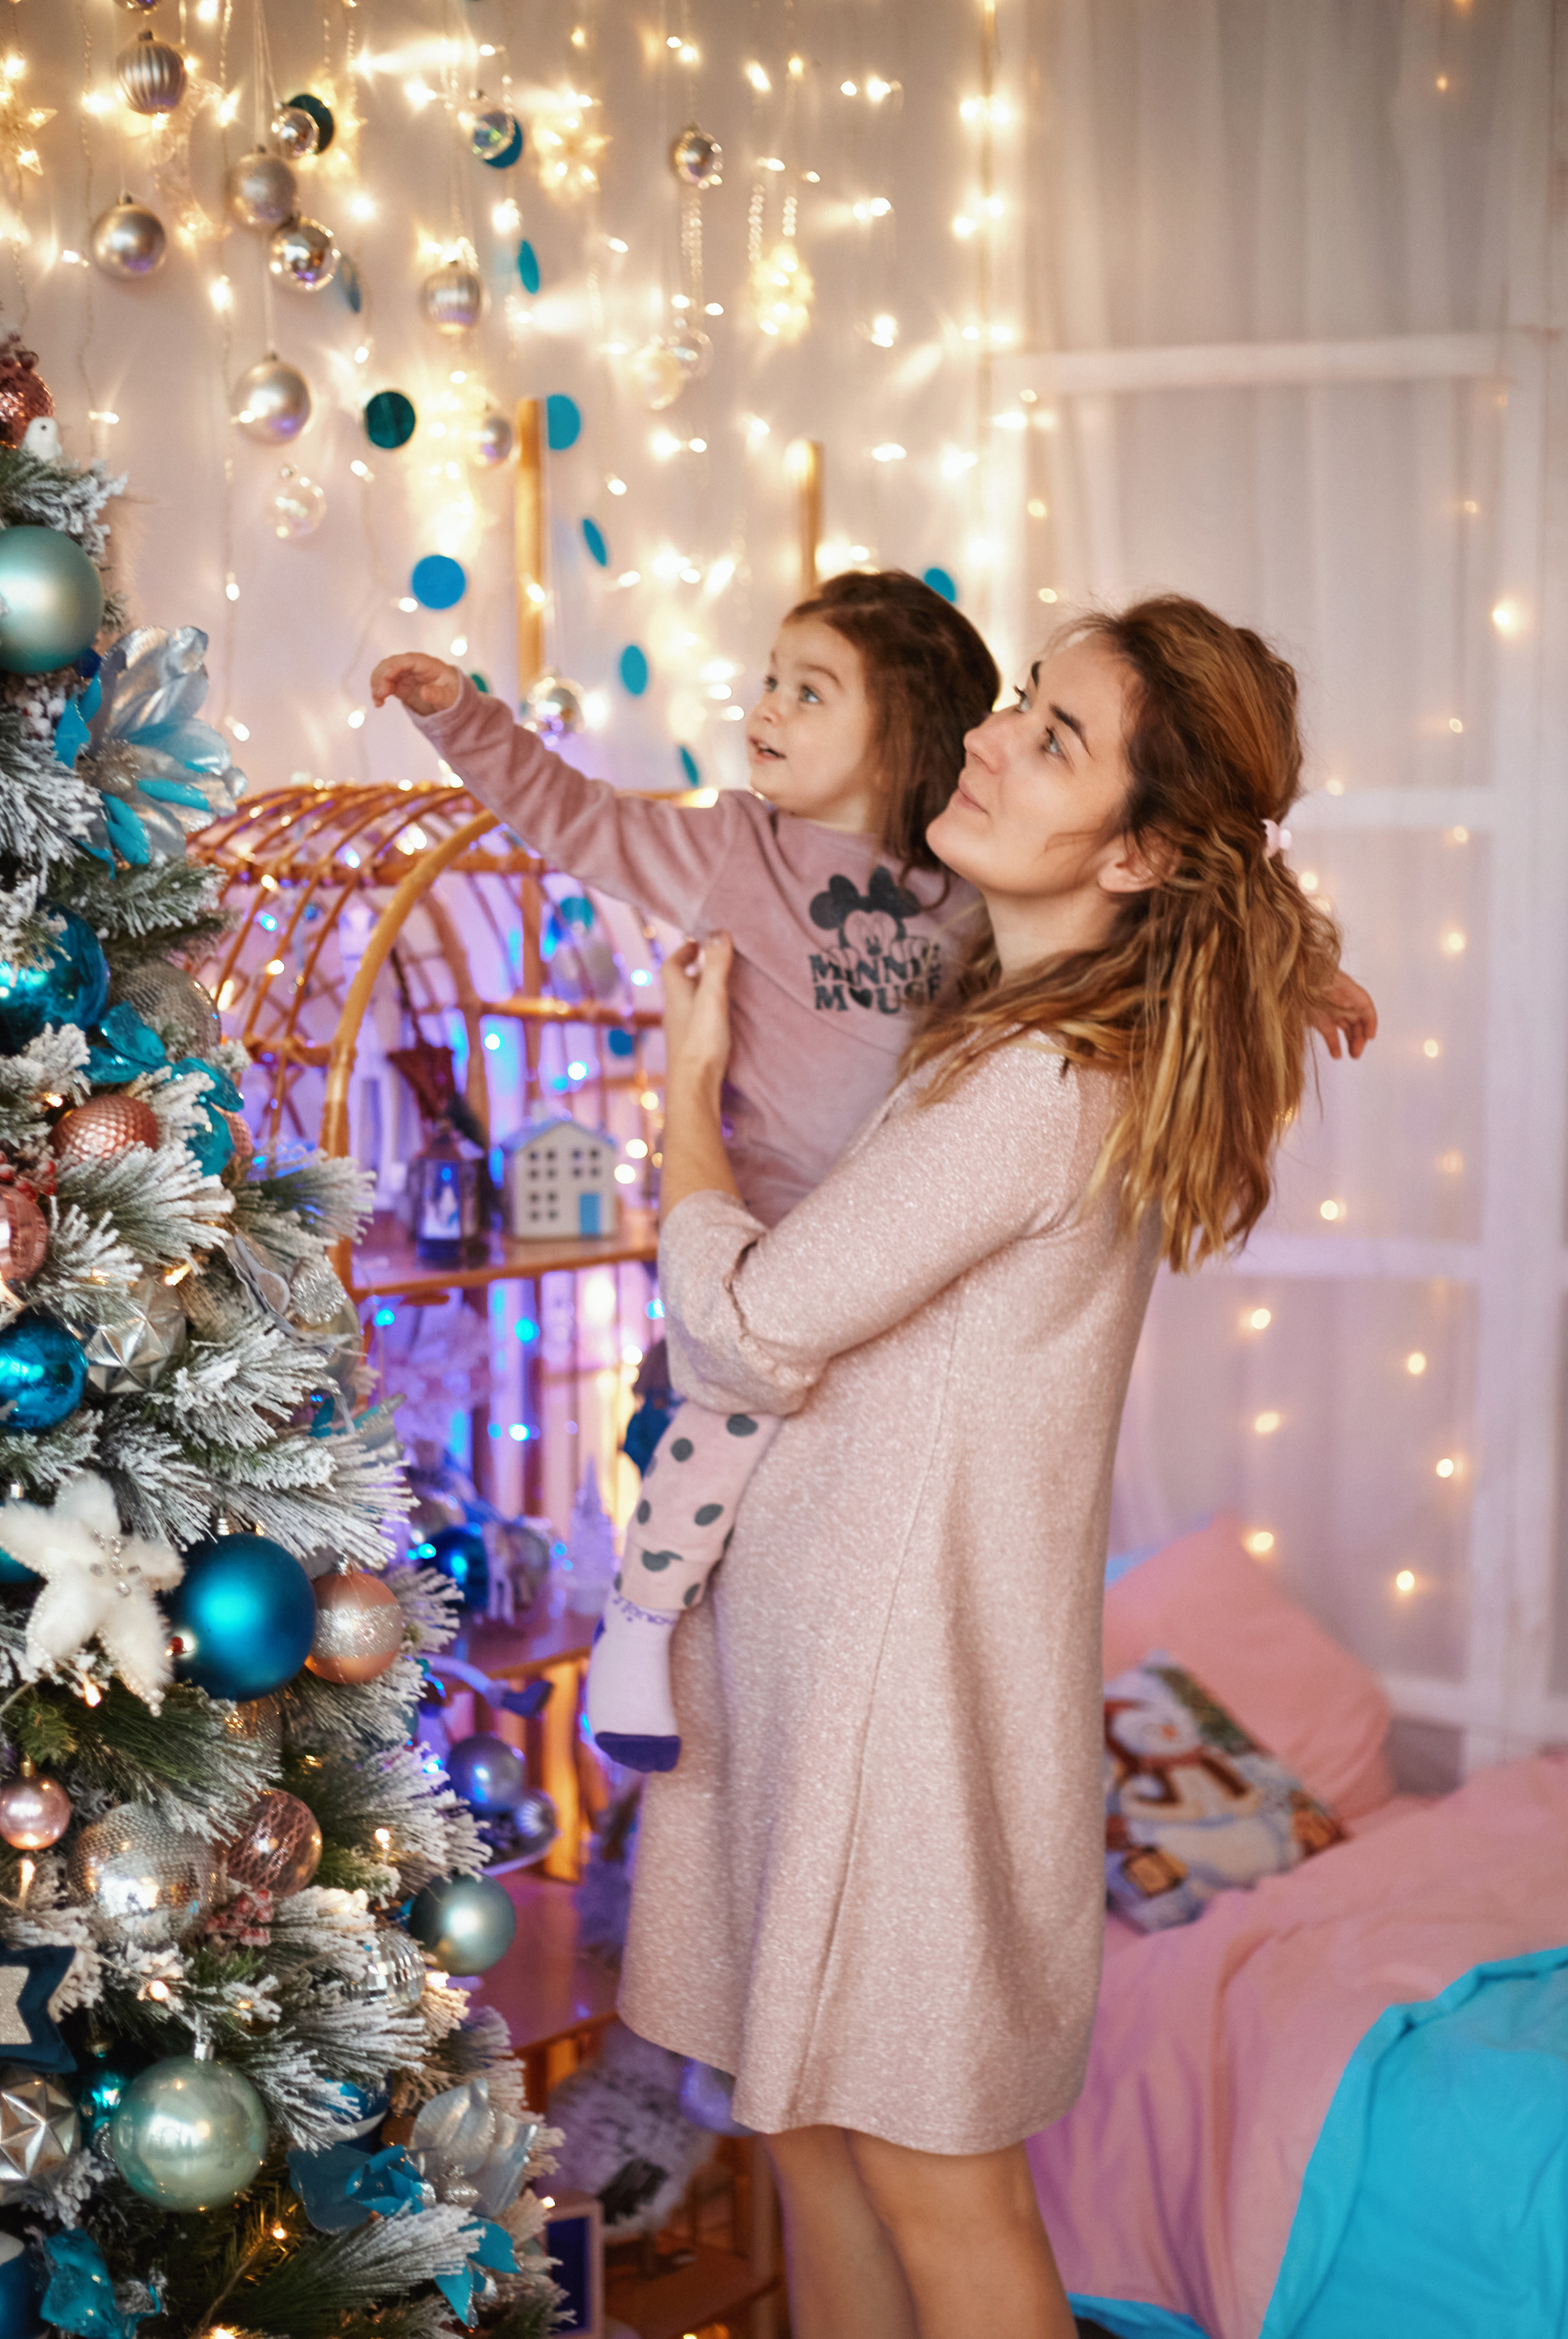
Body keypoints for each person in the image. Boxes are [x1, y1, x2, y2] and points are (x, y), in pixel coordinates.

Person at [621, 597, 1354, 2339]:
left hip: (903, 1723)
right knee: (813, 2145)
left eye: (1053, 736)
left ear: (1137, 852)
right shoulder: (1003, 1024)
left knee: (939, 2197)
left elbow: (752, 1325)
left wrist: (686, 1111)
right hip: (829, 1680)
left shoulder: (1037, 1081)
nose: (989, 738)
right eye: (1018, 701)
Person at [370, 582, 1375, 1774]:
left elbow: (1182, 910)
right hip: (765, 1233)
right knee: (709, 1427)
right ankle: (635, 1624)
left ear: (899, 732)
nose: (766, 709)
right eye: (771, 681)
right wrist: (462, 717)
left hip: (875, 1265)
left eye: (810, 691)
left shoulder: (972, 892)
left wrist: (1293, 971)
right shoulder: (734, 852)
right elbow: (572, 816)